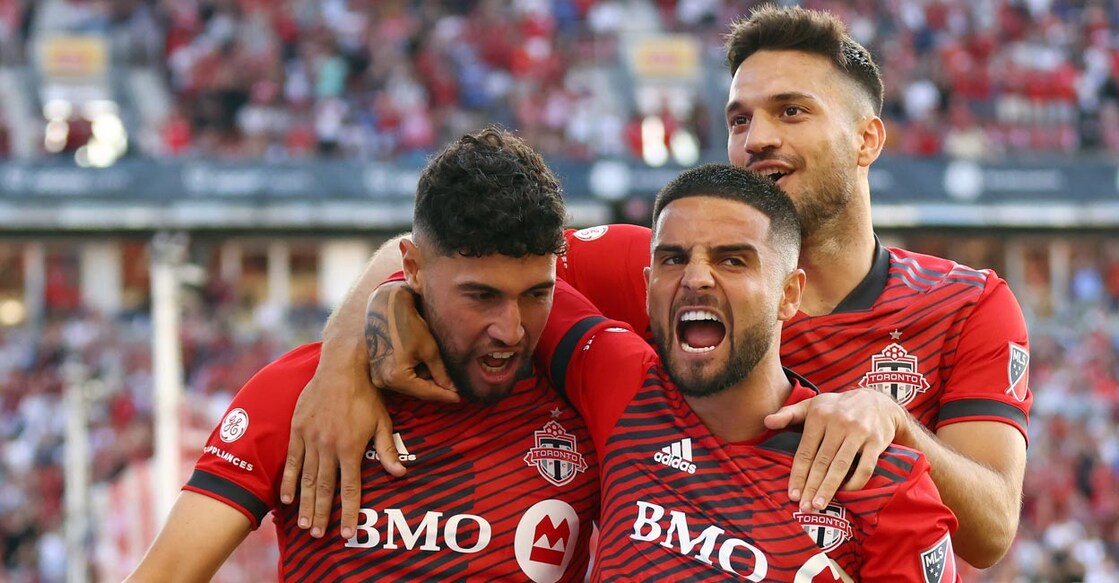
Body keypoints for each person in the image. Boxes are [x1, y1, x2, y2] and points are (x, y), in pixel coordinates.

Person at [285, 5, 1030, 569]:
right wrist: (342, 356)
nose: (756, 137)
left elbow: (992, 530)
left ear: (867, 139)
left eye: (790, 111)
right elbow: (452, 253)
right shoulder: (669, 272)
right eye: (739, 118)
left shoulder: (965, 303)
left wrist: (889, 419)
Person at [372, 163, 961, 580]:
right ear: (648, 284)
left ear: (789, 294)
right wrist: (367, 318)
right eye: (673, 259)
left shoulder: (884, 482)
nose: (698, 277)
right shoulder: (618, 380)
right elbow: (458, 258)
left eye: (733, 260)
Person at [124, 128, 600, 582]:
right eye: (480, 297)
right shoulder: (306, 393)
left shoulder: (589, 401)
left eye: (537, 294)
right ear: (411, 267)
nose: (510, 329)